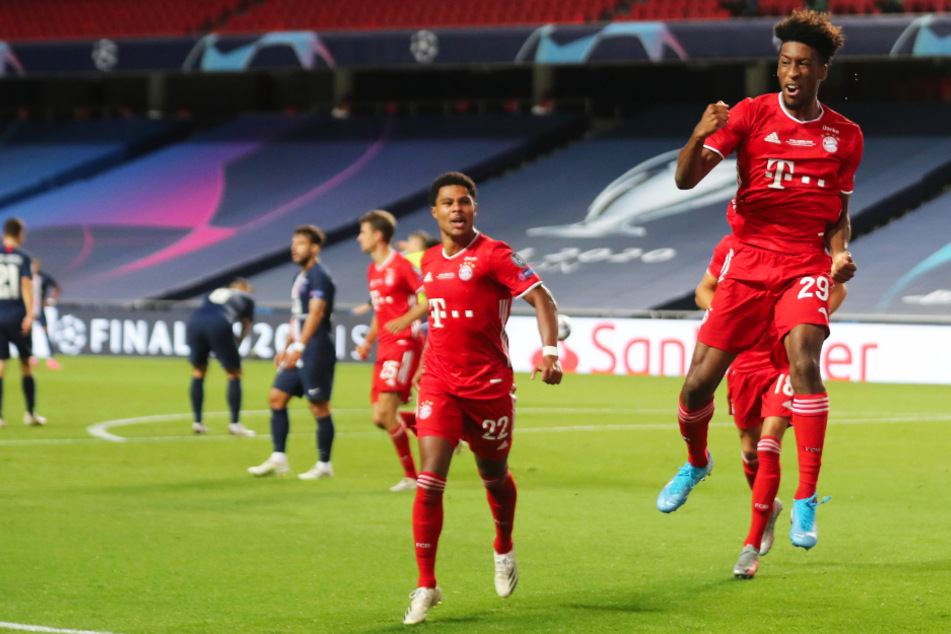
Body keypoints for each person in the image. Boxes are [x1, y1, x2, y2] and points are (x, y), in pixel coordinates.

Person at [657, 9, 863, 554]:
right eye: (784, 62)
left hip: (803, 263)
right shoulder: (750, 114)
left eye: (803, 64)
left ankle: (805, 499)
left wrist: (839, 256)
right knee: (697, 385)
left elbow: (837, 216)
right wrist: (698, 134)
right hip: (747, 260)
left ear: (823, 70)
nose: (791, 72)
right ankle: (697, 462)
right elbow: (684, 180)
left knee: (804, 359)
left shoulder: (845, 136)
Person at [401, 172, 563, 625]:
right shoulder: (428, 261)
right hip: (439, 385)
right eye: (448, 203)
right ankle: (427, 584)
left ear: (474, 209)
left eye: (465, 202)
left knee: (494, 477)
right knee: (430, 481)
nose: (457, 209)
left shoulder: (495, 255)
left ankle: (503, 545)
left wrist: (549, 352)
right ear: (434, 212)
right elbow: (435, 313)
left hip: (489, 388)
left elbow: (543, 300)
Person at [695, 235, 846, 579]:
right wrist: (729, 315)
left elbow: (837, 290)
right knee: (749, 451)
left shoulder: (805, 249)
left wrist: (800, 320)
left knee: (768, 444)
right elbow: (703, 289)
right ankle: (770, 509)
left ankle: (751, 545)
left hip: (780, 364)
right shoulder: (732, 247)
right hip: (744, 364)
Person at [249, 225, 337, 480]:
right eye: (294, 243)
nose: (294, 248)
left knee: (319, 407)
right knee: (276, 398)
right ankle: (279, 459)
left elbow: (316, 313)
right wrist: (286, 346)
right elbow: (296, 316)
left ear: (314, 248)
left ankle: (324, 465)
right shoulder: (299, 277)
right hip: (299, 349)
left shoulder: (320, 276)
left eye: (300, 243)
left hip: (316, 350)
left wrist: (299, 347)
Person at [354, 210, 425, 492]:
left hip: (405, 344)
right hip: (384, 345)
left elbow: (428, 298)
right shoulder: (372, 270)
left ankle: (412, 477)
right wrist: (369, 340)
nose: (360, 237)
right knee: (380, 418)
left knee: (386, 413)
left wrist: (406, 320)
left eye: (363, 232)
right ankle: (439, 427)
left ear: (378, 235)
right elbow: (381, 312)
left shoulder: (403, 265)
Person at [185, 277, 256, 436]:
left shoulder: (215, 292)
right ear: (241, 286)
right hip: (219, 323)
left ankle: (198, 423)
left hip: (194, 322)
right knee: (234, 373)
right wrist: (238, 342)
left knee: (198, 372)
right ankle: (235, 425)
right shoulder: (246, 297)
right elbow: (246, 324)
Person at [0, 218, 44, 427]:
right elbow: (26, 286)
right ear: (19, 234)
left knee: (0, 366)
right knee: (25, 364)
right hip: (17, 316)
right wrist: (29, 314)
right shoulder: (23, 257)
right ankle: (30, 413)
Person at [29, 257, 62, 370]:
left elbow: (57, 287)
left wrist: (51, 300)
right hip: (29, 309)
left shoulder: (44, 277)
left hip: (39, 309)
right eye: (33, 265)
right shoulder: (27, 277)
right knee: (28, 333)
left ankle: (50, 359)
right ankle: (30, 357)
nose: (35, 267)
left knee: (45, 333)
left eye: (36, 265)